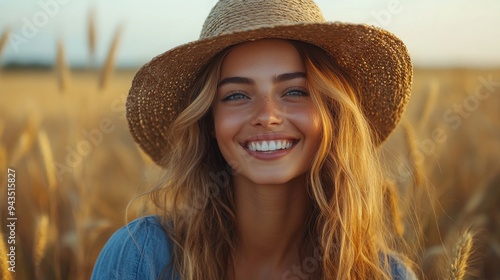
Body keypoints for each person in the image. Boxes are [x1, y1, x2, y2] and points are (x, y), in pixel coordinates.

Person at [92, 0, 417, 279]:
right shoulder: (142, 258)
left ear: (333, 114)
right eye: (236, 95)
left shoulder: (385, 274)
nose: (267, 115)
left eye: (294, 91)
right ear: (209, 121)